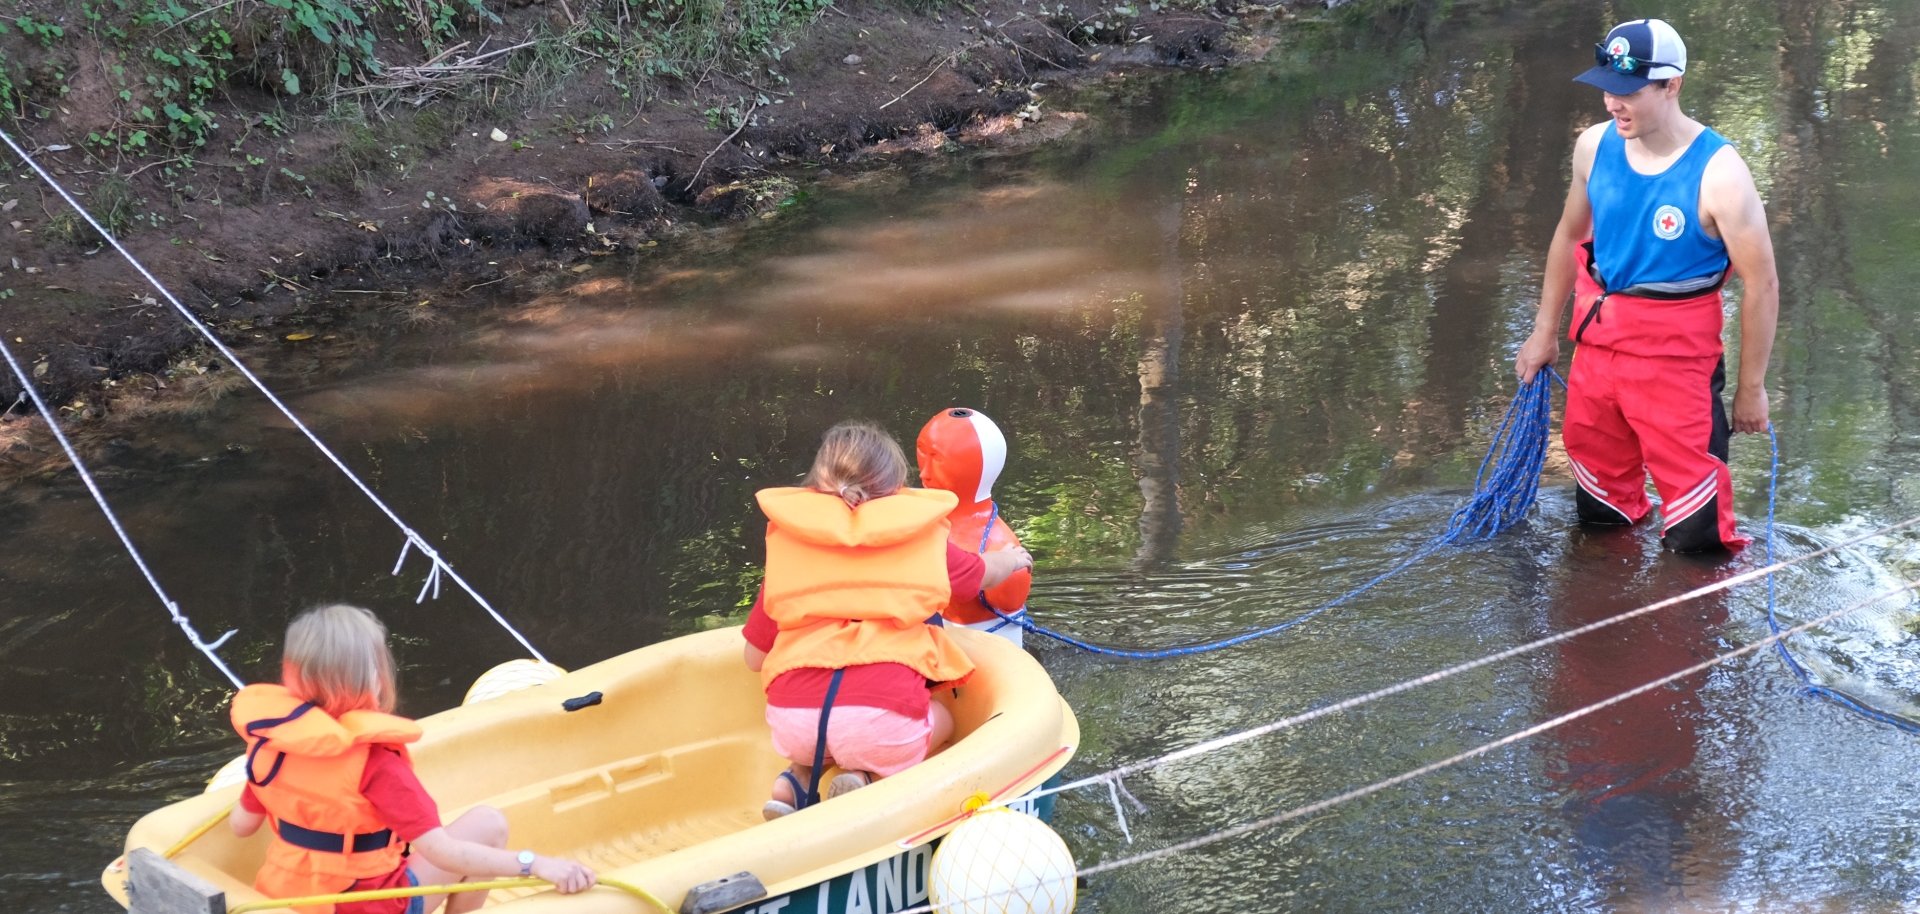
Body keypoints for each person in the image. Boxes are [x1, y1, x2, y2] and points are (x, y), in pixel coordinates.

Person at [1514, 18, 1779, 553]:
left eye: (1630, 91)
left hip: (1676, 367)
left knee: (1698, 542)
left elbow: (1762, 284)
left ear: (1671, 85)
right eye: (1607, 88)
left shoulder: (1720, 173)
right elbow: (1569, 235)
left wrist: (1751, 388)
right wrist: (1543, 333)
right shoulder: (1593, 147)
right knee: (1599, 521)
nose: (1614, 103)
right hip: (1595, 358)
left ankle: (1692, 626)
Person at [742, 420, 1033, 820]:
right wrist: (1014, 559)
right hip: (884, 720)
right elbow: (980, 573)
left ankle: (792, 784)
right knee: (942, 718)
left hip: (797, 723)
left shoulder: (788, 553)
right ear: (895, 488)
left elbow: (754, 658)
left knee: (822, 741)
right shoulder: (920, 539)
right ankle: (870, 779)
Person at [229, 604, 595, 914]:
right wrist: (537, 864)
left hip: (285, 897)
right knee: (489, 824)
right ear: (373, 678)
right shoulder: (377, 764)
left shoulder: (270, 744)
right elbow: (446, 854)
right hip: (367, 906)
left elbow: (241, 825)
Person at [915, 407, 1034, 647]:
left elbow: (1009, 590)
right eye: (921, 454)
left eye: (937, 458)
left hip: (990, 660)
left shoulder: (999, 544)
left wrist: (1007, 568)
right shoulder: (919, 523)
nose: (924, 474)